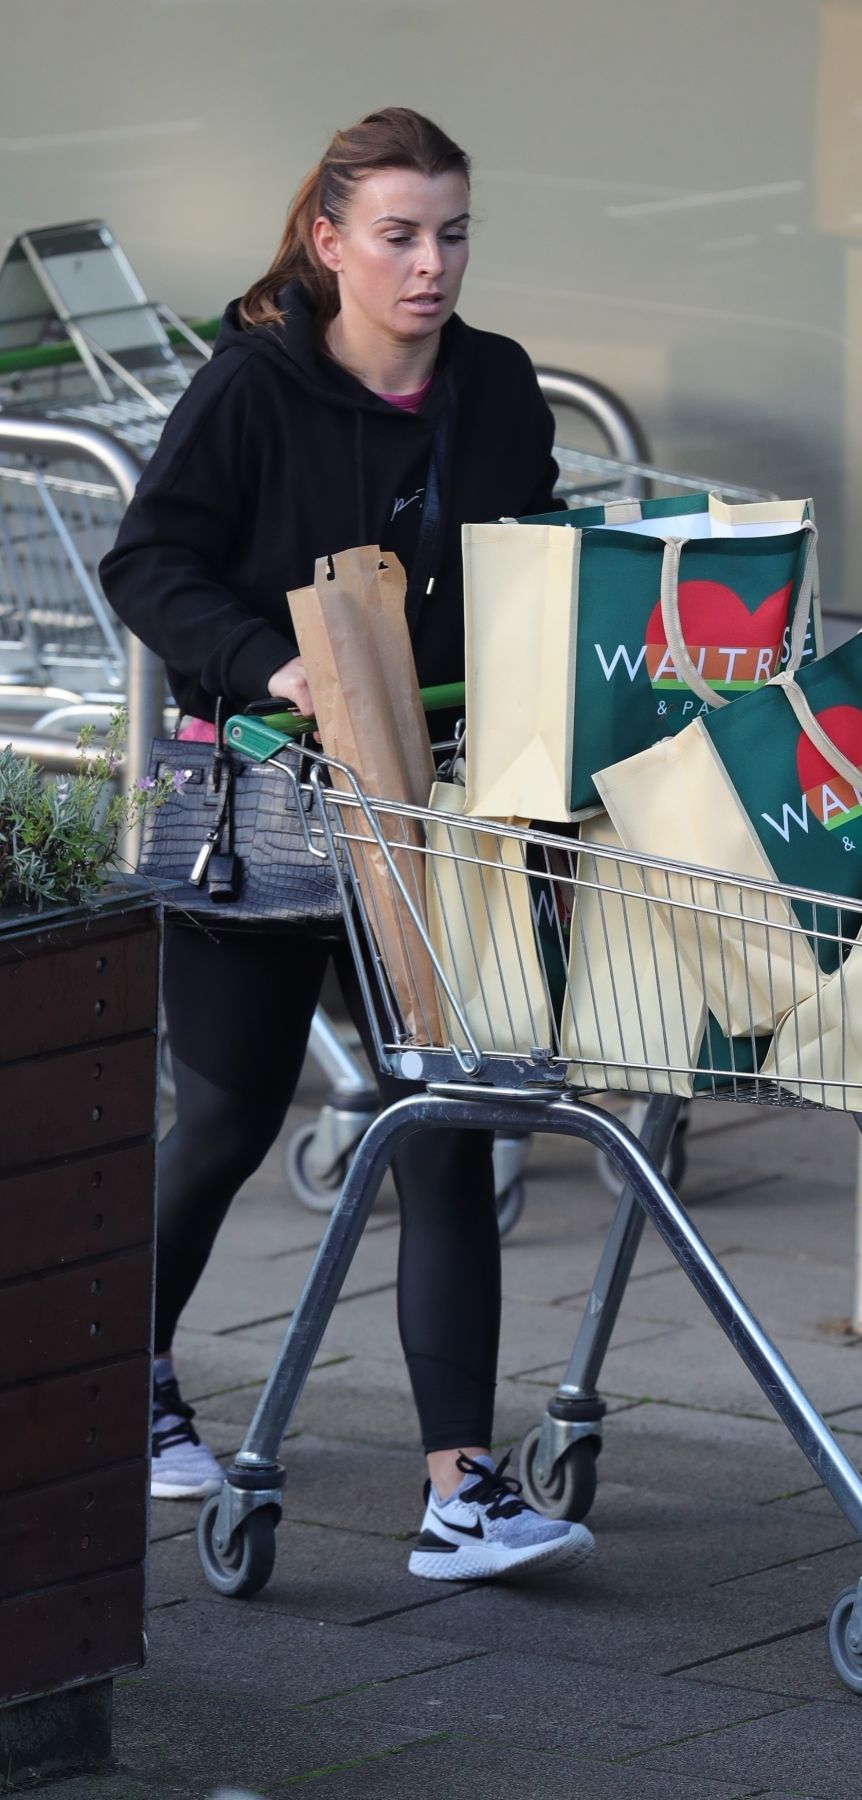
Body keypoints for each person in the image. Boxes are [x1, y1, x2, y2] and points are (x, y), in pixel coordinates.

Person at [101, 107, 593, 1581]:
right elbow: (148, 560)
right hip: (262, 822)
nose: (430, 263)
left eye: (452, 232)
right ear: (328, 242)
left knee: (439, 1112)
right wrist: (276, 664)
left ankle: (463, 1489)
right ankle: (120, 1378)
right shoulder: (255, 384)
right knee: (234, 1116)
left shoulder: (494, 388)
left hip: (427, 815)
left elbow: (537, 549)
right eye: (399, 234)